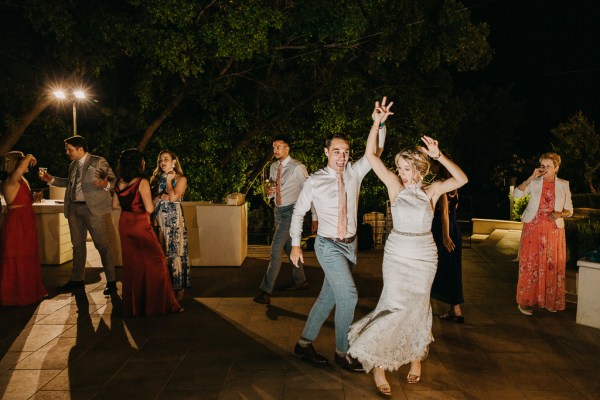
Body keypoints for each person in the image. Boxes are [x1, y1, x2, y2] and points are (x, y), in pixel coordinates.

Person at [347, 99, 468, 396]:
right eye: (399, 167)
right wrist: (376, 123)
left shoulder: (431, 191)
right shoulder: (394, 187)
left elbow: (462, 179)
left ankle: (416, 359)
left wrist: (440, 156)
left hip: (425, 256)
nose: (400, 172)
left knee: (418, 308)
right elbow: (370, 156)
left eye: (405, 168)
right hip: (397, 254)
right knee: (392, 306)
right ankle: (379, 365)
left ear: (419, 168)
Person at [289, 99, 388, 373]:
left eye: (345, 152)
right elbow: (298, 213)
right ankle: (342, 352)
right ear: (326, 152)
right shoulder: (314, 180)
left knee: (328, 298)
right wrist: (296, 246)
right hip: (328, 246)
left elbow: (375, 152)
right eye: (336, 151)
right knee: (349, 297)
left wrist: (378, 124)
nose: (342, 156)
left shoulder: (355, 173)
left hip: (350, 247)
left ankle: (304, 343)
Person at [39, 136, 117, 295]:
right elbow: (69, 183)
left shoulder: (98, 161)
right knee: (78, 246)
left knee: (102, 245)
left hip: (93, 209)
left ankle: (111, 281)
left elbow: (114, 180)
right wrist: (51, 179)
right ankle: (77, 279)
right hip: (74, 209)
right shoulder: (72, 165)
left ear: (80, 148)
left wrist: (106, 185)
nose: (67, 152)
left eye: (69, 149)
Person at [113, 149, 182, 316]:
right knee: (157, 261)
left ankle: (135, 306)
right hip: (140, 223)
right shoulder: (141, 181)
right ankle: (160, 305)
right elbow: (150, 208)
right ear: (138, 163)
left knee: (132, 265)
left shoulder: (119, 181)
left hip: (124, 223)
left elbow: (115, 205)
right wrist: (157, 198)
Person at [253, 134, 317, 305]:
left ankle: (265, 291)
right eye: (274, 147)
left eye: (278, 147)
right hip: (278, 211)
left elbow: (310, 192)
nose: (275, 150)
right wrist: (271, 193)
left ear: (287, 149)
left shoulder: (298, 167)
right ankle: (301, 280)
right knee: (289, 249)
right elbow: (275, 188)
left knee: (275, 250)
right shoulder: (274, 167)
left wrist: (315, 217)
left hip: (292, 212)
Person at [514, 152, 572, 316]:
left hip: (554, 229)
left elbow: (570, 210)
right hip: (533, 227)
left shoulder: (564, 184)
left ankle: (547, 301)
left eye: (548, 166)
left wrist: (561, 214)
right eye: (542, 165)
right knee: (530, 264)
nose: (545, 169)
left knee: (551, 265)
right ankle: (525, 302)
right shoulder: (534, 182)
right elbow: (517, 195)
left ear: (556, 168)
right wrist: (531, 177)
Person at [0, 152, 47, 305]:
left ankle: (29, 291)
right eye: (22, 163)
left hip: (26, 220)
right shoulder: (10, 180)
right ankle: (14, 295)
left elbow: (21, 198)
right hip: (17, 223)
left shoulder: (21, 180)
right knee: (17, 255)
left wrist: (32, 198)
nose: (26, 165)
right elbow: (20, 168)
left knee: (28, 254)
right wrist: (29, 156)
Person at [150, 150, 190, 301]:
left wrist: (168, 180)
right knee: (161, 254)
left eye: (166, 159)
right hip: (159, 221)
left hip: (174, 222)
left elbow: (173, 198)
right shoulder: (156, 179)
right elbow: (152, 202)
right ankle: (164, 287)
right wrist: (158, 197)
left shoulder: (181, 179)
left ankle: (178, 288)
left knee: (175, 253)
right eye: (160, 160)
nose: (162, 162)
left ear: (174, 161)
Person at [430, 161, 464, 323]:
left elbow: (443, 213)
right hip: (455, 228)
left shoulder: (442, 186)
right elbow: (453, 211)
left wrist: (445, 237)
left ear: (438, 167)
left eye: (432, 165)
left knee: (437, 266)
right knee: (453, 268)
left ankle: (428, 306)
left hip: (443, 230)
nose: (430, 167)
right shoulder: (454, 188)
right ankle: (455, 309)